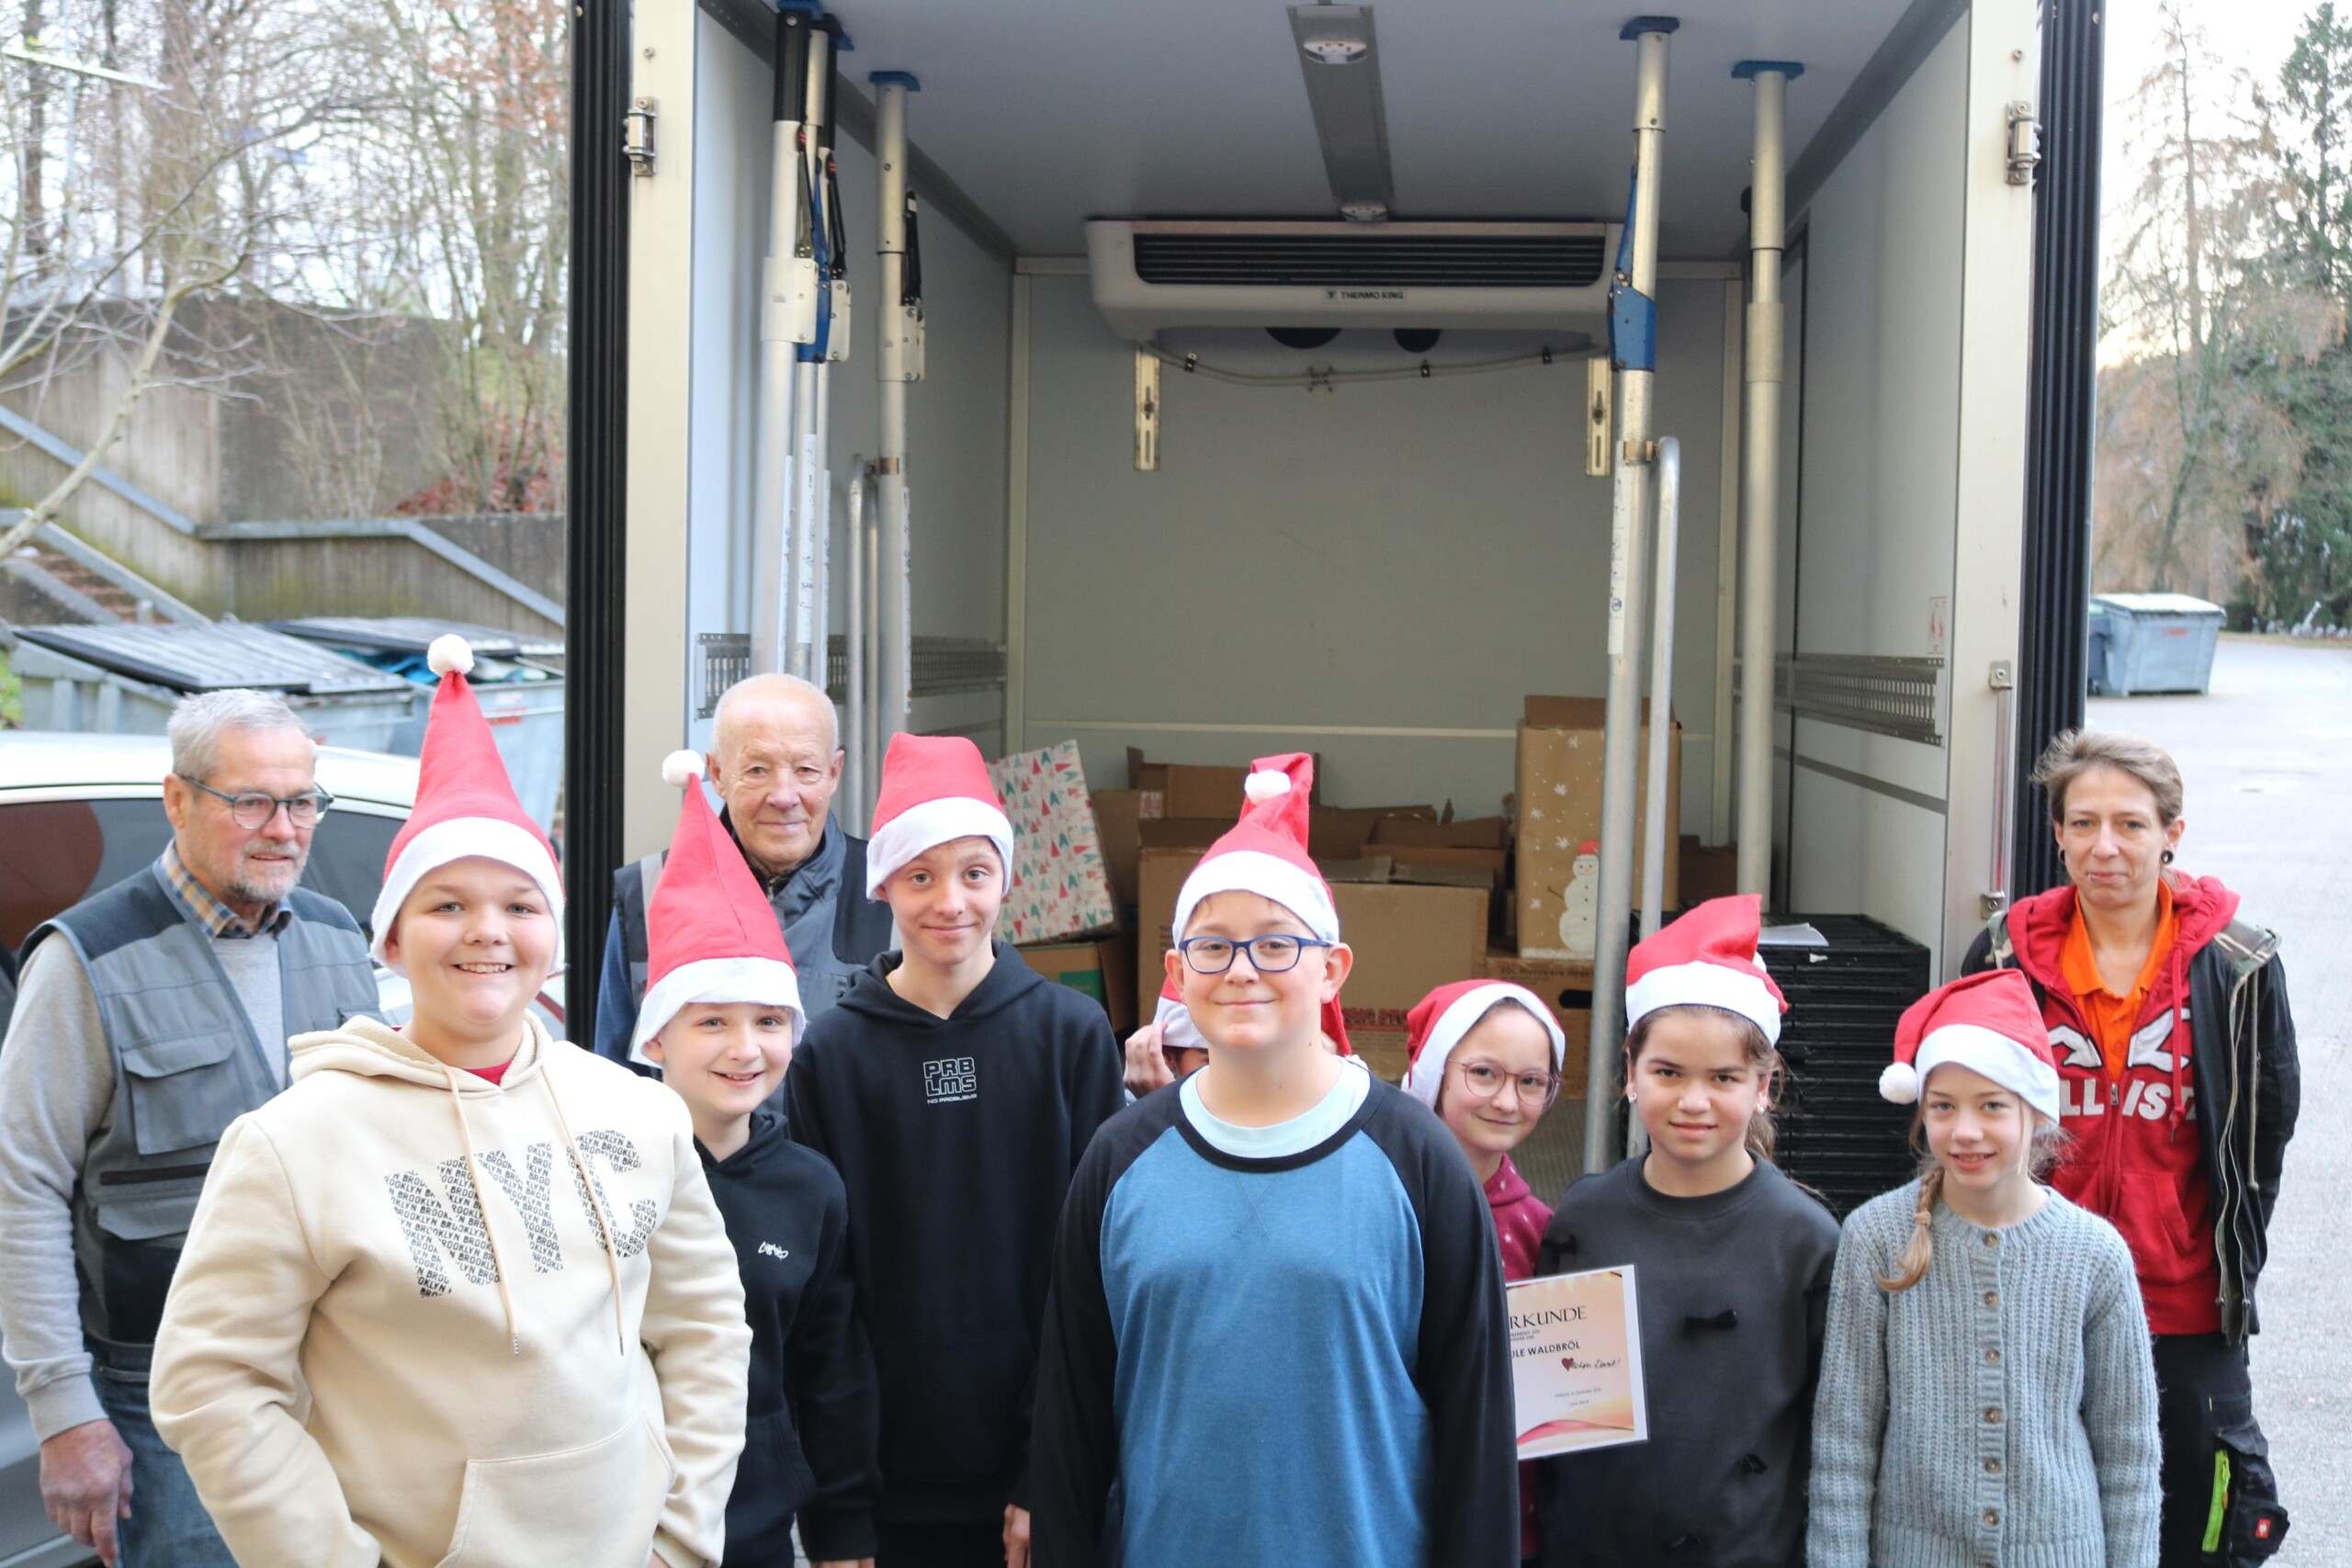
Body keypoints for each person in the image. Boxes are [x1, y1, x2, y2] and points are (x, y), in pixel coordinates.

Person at [148, 637, 752, 1568]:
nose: (487, 933)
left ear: (554, 935)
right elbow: (212, 1386)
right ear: (388, 940)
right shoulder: (292, 1145)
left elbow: (707, 1332)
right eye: (446, 906)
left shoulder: (640, 1113)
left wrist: (679, 1541)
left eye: (520, 904)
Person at [1028, 753, 1517, 1568]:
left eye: (1277, 944)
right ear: (1177, 975)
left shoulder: (1416, 1160)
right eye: (1213, 948)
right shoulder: (1120, 1160)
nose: (1244, 969)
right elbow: (1072, 1421)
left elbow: (1477, 1429)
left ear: (1333, 967)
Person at [0, 689, 379, 1568]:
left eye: (301, 801)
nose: (283, 828)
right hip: (164, 1397)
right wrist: (66, 1415)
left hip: (338, 1372)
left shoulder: (334, 937)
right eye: (251, 801)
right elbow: (22, 1187)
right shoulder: (87, 959)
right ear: (178, 799)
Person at [784, 733, 1125, 1568]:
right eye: (920, 875)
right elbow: (826, 1302)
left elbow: (1090, 1279)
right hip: (883, 1489)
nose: (950, 901)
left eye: (974, 871)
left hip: (1037, 1477)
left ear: (1007, 878)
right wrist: (841, 1508)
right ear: (885, 885)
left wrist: (1050, 1469)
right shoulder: (830, 1055)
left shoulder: (1071, 1037)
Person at [1963, 729, 2297, 1563]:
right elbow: (1957, 1117)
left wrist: (2221, 1268)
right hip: (2031, 1292)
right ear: (2059, 834)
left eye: (2131, 824)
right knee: (2036, 1509)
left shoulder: (2237, 965)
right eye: (2082, 823)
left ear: (2172, 832)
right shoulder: (2006, 955)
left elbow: (2262, 1138)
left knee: (2202, 1520)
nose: (2104, 846)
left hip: (2180, 1307)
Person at [1810, 968, 2162, 1568]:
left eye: (1992, 1105)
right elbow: (1845, 1441)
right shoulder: (1876, 1237)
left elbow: (2129, 1454)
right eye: (1943, 1106)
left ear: (2036, 1114)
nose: (1965, 1130)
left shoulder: (2094, 1253)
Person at [1533, 895, 1840, 1568]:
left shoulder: (1805, 1239)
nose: (1693, 1100)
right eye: (1667, 1072)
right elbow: (1556, 1419)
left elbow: (1832, 1433)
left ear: (1764, 1086)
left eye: (1724, 1077)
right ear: (1630, 1076)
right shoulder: (1587, 1218)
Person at [634, 749, 880, 1568]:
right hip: (615, 1530)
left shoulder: (808, 1187)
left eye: (769, 1021)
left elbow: (831, 1374)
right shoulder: (603, 1168)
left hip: (761, 1533)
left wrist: (844, 1532)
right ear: (658, 1034)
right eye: (711, 1022)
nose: (746, 1049)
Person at [598, 672, 897, 1068]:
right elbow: (614, 1076)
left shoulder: (889, 892)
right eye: (757, 770)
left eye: (806, 769)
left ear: (834, 772)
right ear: (718, 774)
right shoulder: (648, 892)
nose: (784, 796)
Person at [1398, 977, 1568, 1567]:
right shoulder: (1380, 1203)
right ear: (1436, 1073)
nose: (1505, 1100)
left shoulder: (1544, 1230)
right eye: (1484, 1074)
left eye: (1530, 1082)